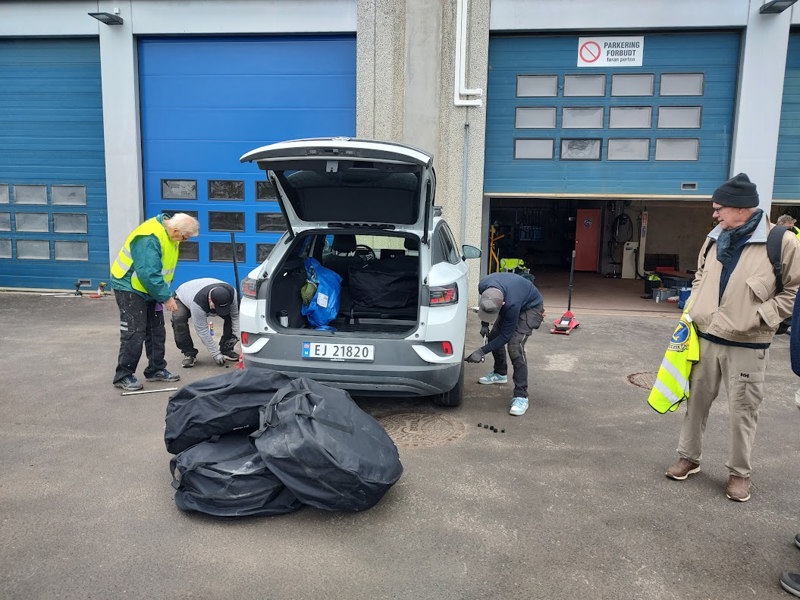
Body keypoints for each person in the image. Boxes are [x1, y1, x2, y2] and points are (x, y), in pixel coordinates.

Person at [663, 173, 800, 502]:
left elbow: (794, 290)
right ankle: (688, 457)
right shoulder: (714, 238)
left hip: (748, 343)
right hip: (707, 338)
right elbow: (700, 274)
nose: (714, 214)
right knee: (696, 404)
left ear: (742, 209)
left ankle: (740, 473)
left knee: (743, 411)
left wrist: (761, 317)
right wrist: (697, 307)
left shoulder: (781, 241)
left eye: (719, 208)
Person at [109, 212, 200, 391]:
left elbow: (162, 269)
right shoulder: (148, 237)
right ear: (176, 230)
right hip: (130, 286)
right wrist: (166, 297)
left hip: (151, 289)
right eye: (185, 237)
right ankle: (123, 375)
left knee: (156, 330)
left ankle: (156, 369)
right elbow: (148, 273)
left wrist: (162, 293)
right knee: (134, 331)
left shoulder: (171, 235)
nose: (185, 241)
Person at [464, 271, 545, 416]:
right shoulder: (484, 285)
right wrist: (484, 324)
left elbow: (505, 336)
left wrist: (481, 351)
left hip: (531, 307)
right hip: (513, 297)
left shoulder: (512, 304)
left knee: (515, 346)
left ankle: (521, 396)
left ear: (502, 304)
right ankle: (500, 373)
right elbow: (486, 306)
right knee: (493, 336)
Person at [172, 278, 240, 367]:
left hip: (203, 288)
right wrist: (215, 353)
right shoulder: (197, 303)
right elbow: (202, 330)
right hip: (184, 295)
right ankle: (189, 353)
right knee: (179, 320)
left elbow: (235, 316)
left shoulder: (232, 294)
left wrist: (236, 336)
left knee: (230, 316)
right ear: (210, 300)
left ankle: (226, 349)